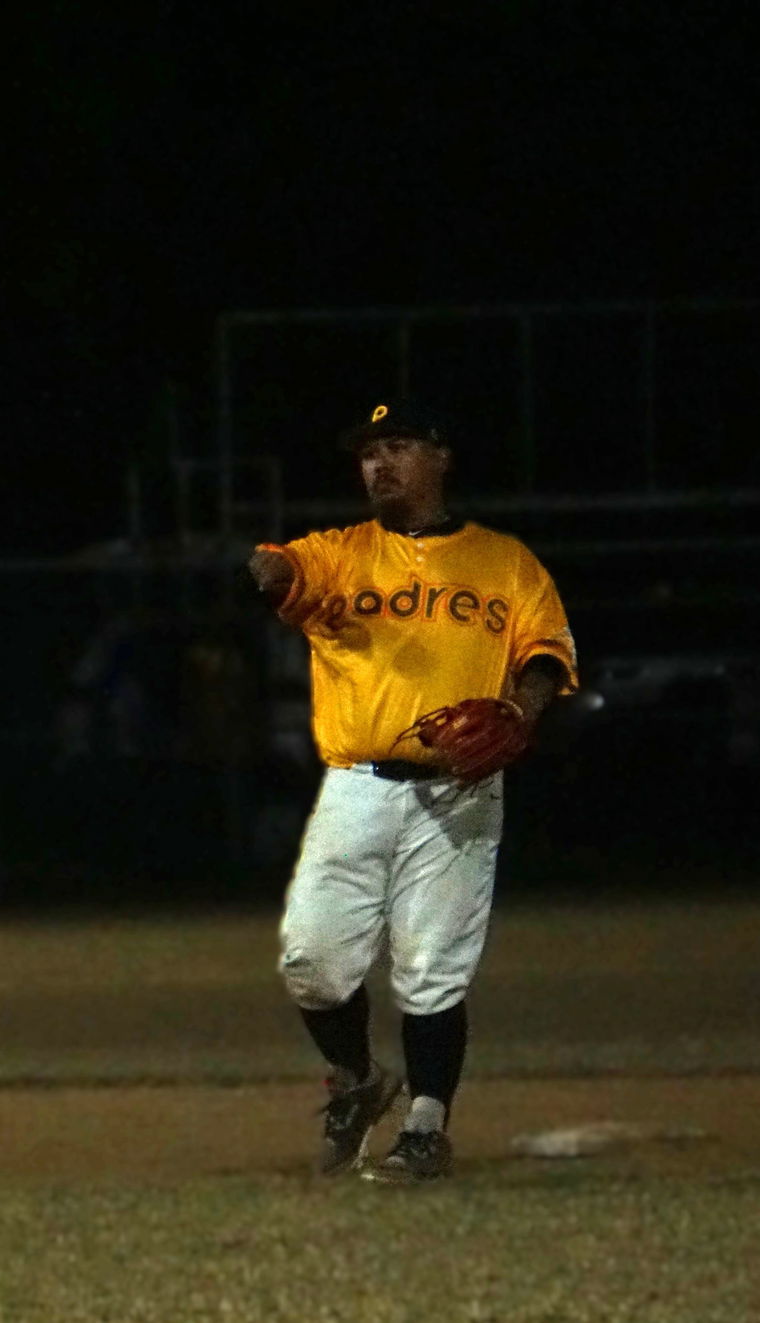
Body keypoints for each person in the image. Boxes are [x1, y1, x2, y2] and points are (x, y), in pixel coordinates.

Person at [246, 400, 577, 1183]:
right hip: (356, 786)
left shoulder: (505, 562)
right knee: (312, 961)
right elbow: (282, 568)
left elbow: (547, 653)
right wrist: (273, 571)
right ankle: (359, 1079)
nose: (378, 464)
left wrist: (520, 716)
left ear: (441, 455)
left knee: (431, 967)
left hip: (461, 791)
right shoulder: (340, 552)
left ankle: (426, 1125)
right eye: (367, 453)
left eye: (396, 446)